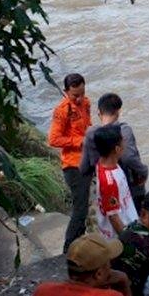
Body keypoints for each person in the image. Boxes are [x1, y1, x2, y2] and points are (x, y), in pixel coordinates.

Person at [80, 93, 148, 211]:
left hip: (104, 185)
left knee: (112, 215)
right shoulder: (123, 130)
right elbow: (129, 157)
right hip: (128, 186)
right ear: (118, 112)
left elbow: (84, 167)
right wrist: (144, 171)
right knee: (133, 217)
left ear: (99, 113)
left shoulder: (91, 133)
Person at [47, 73, 93, 253]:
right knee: (80, 210)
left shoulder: (86, 103)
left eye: (82, 93)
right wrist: (78, 141)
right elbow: (53, 139)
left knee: (86, 206)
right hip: (73, 166)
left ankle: (80, 245)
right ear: (66, 92)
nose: (80, 98)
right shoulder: (62, 111)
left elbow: (88, 125)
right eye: (75, 95)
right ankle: (68, 249)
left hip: (87, 160)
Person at [95, 124, 138, 239]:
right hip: (121, 232)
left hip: (129, 221)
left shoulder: (104, 162)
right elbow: (113, 217)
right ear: (117, 149)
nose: (125, 144)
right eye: (123, 141)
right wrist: (130, 241)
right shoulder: (109, 182)